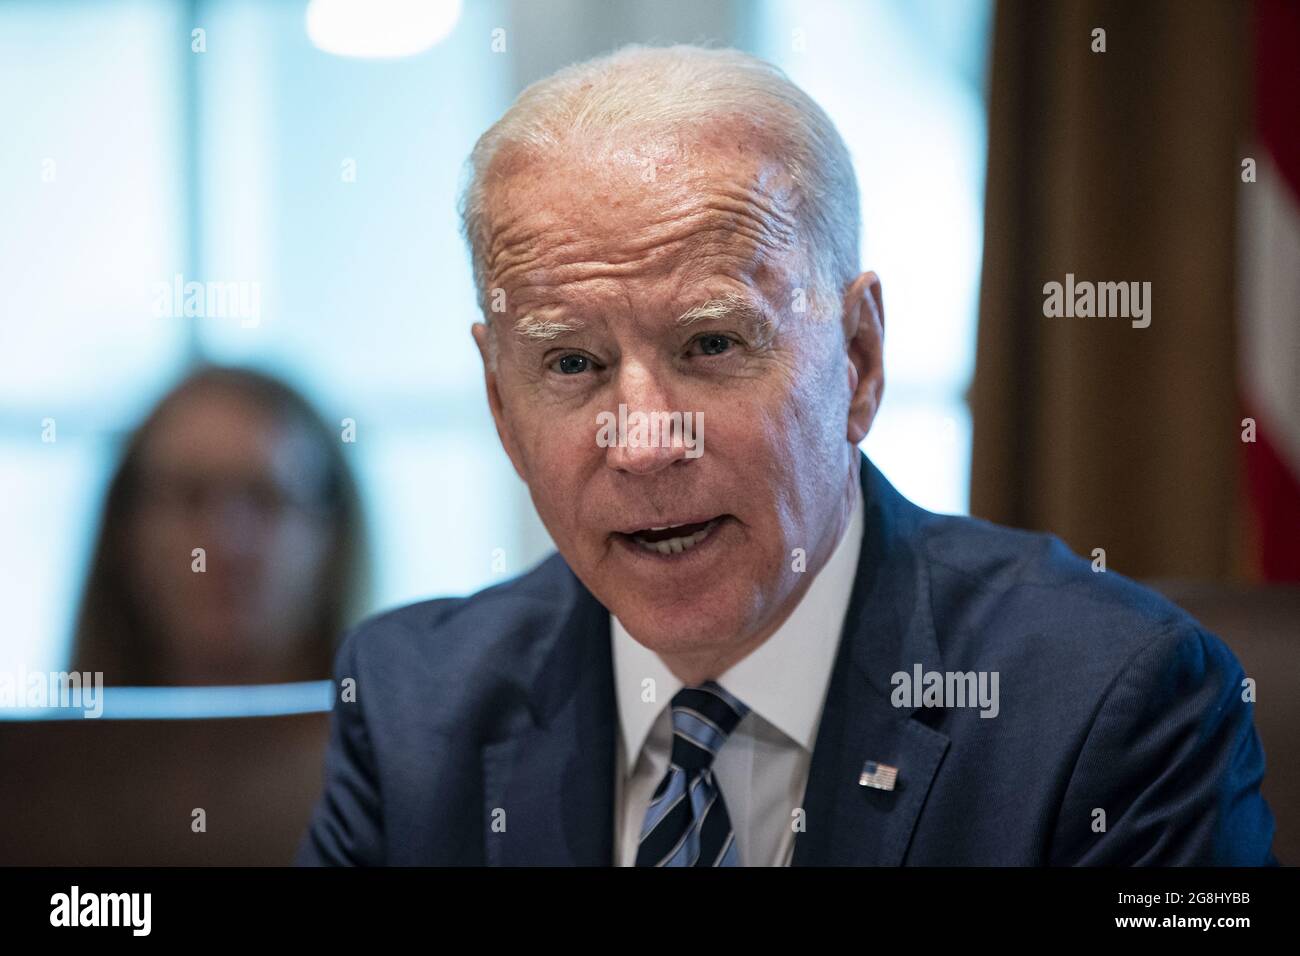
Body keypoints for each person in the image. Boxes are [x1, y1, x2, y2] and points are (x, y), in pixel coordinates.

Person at [297, 45, 1276, 865]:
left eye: (712, 344)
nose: (643, 442)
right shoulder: (414, 710)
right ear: (501, 405)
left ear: (856, 360)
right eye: (571, 361)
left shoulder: (1112, 706)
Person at [71, 365, 367, 686]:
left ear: (332, 534)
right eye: (190, 497)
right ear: (126, 533)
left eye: (266, 498)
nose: (228, 541)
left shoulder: (405, 732)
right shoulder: (42, 736)